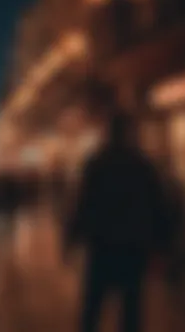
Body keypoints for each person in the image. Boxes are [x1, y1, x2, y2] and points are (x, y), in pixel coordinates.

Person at [66, 111, 170, 332]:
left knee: (93, 306)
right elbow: (158, 206)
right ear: (129, 133)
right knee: (131, 307)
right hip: (133, 246)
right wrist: (161, 245)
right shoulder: (142, 165)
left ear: (108, 133)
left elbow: (83, 203)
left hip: (102, 245)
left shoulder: (96, 163)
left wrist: (71, 238)